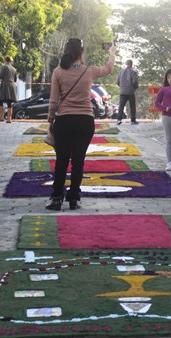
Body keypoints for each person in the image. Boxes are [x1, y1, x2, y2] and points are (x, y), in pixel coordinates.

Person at [45, 38, 116, 211]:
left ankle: (56, 198)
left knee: (61, 160)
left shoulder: (58, 72)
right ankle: (74, 198)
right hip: (85, 121)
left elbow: (54, 100)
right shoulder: (89, 71)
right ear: (82, 52)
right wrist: (112, 51)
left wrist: (50, 121)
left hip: (64, 121)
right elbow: (109, 68)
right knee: (79, 160)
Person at [116, 59, 139, 125]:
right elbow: (135, 82)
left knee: (121, 106)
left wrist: (122, 87)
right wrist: (135, 87)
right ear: (131, 64)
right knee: (132, 106)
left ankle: (119, 120)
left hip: (122, 91)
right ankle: (133, 120)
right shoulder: (133, 72)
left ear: (126, 64)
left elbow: (117, 82)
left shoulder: (121, 72)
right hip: (130, 92)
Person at [0, 56, 18, 123]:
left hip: (5, 85)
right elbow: (15, 79)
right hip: (11, 86)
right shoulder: (14, 69)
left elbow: (0, 76)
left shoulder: (4, 67)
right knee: (9, 102)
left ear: (5, 60)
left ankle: (1, 117)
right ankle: (9, 118)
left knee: (0, 100)